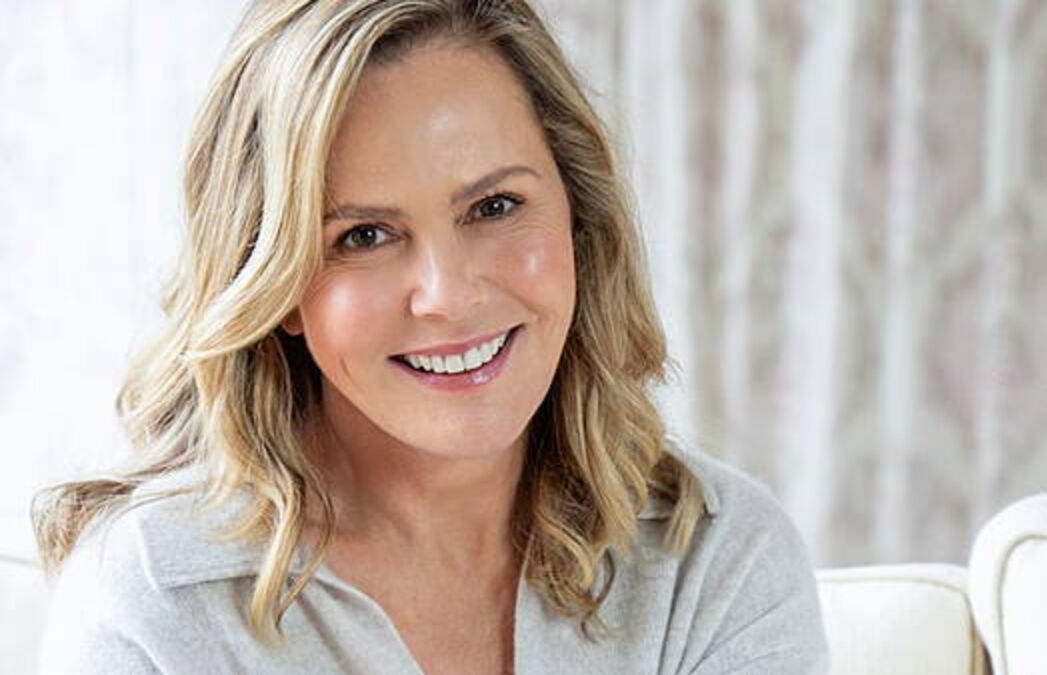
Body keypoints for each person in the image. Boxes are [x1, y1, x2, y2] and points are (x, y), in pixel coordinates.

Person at [32, 1, 830, 673]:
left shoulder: (714, 559)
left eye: (494, 207)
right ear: (276, 286)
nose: (448, 296)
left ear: (578, 215)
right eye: (364, 235)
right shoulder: (159, 599)